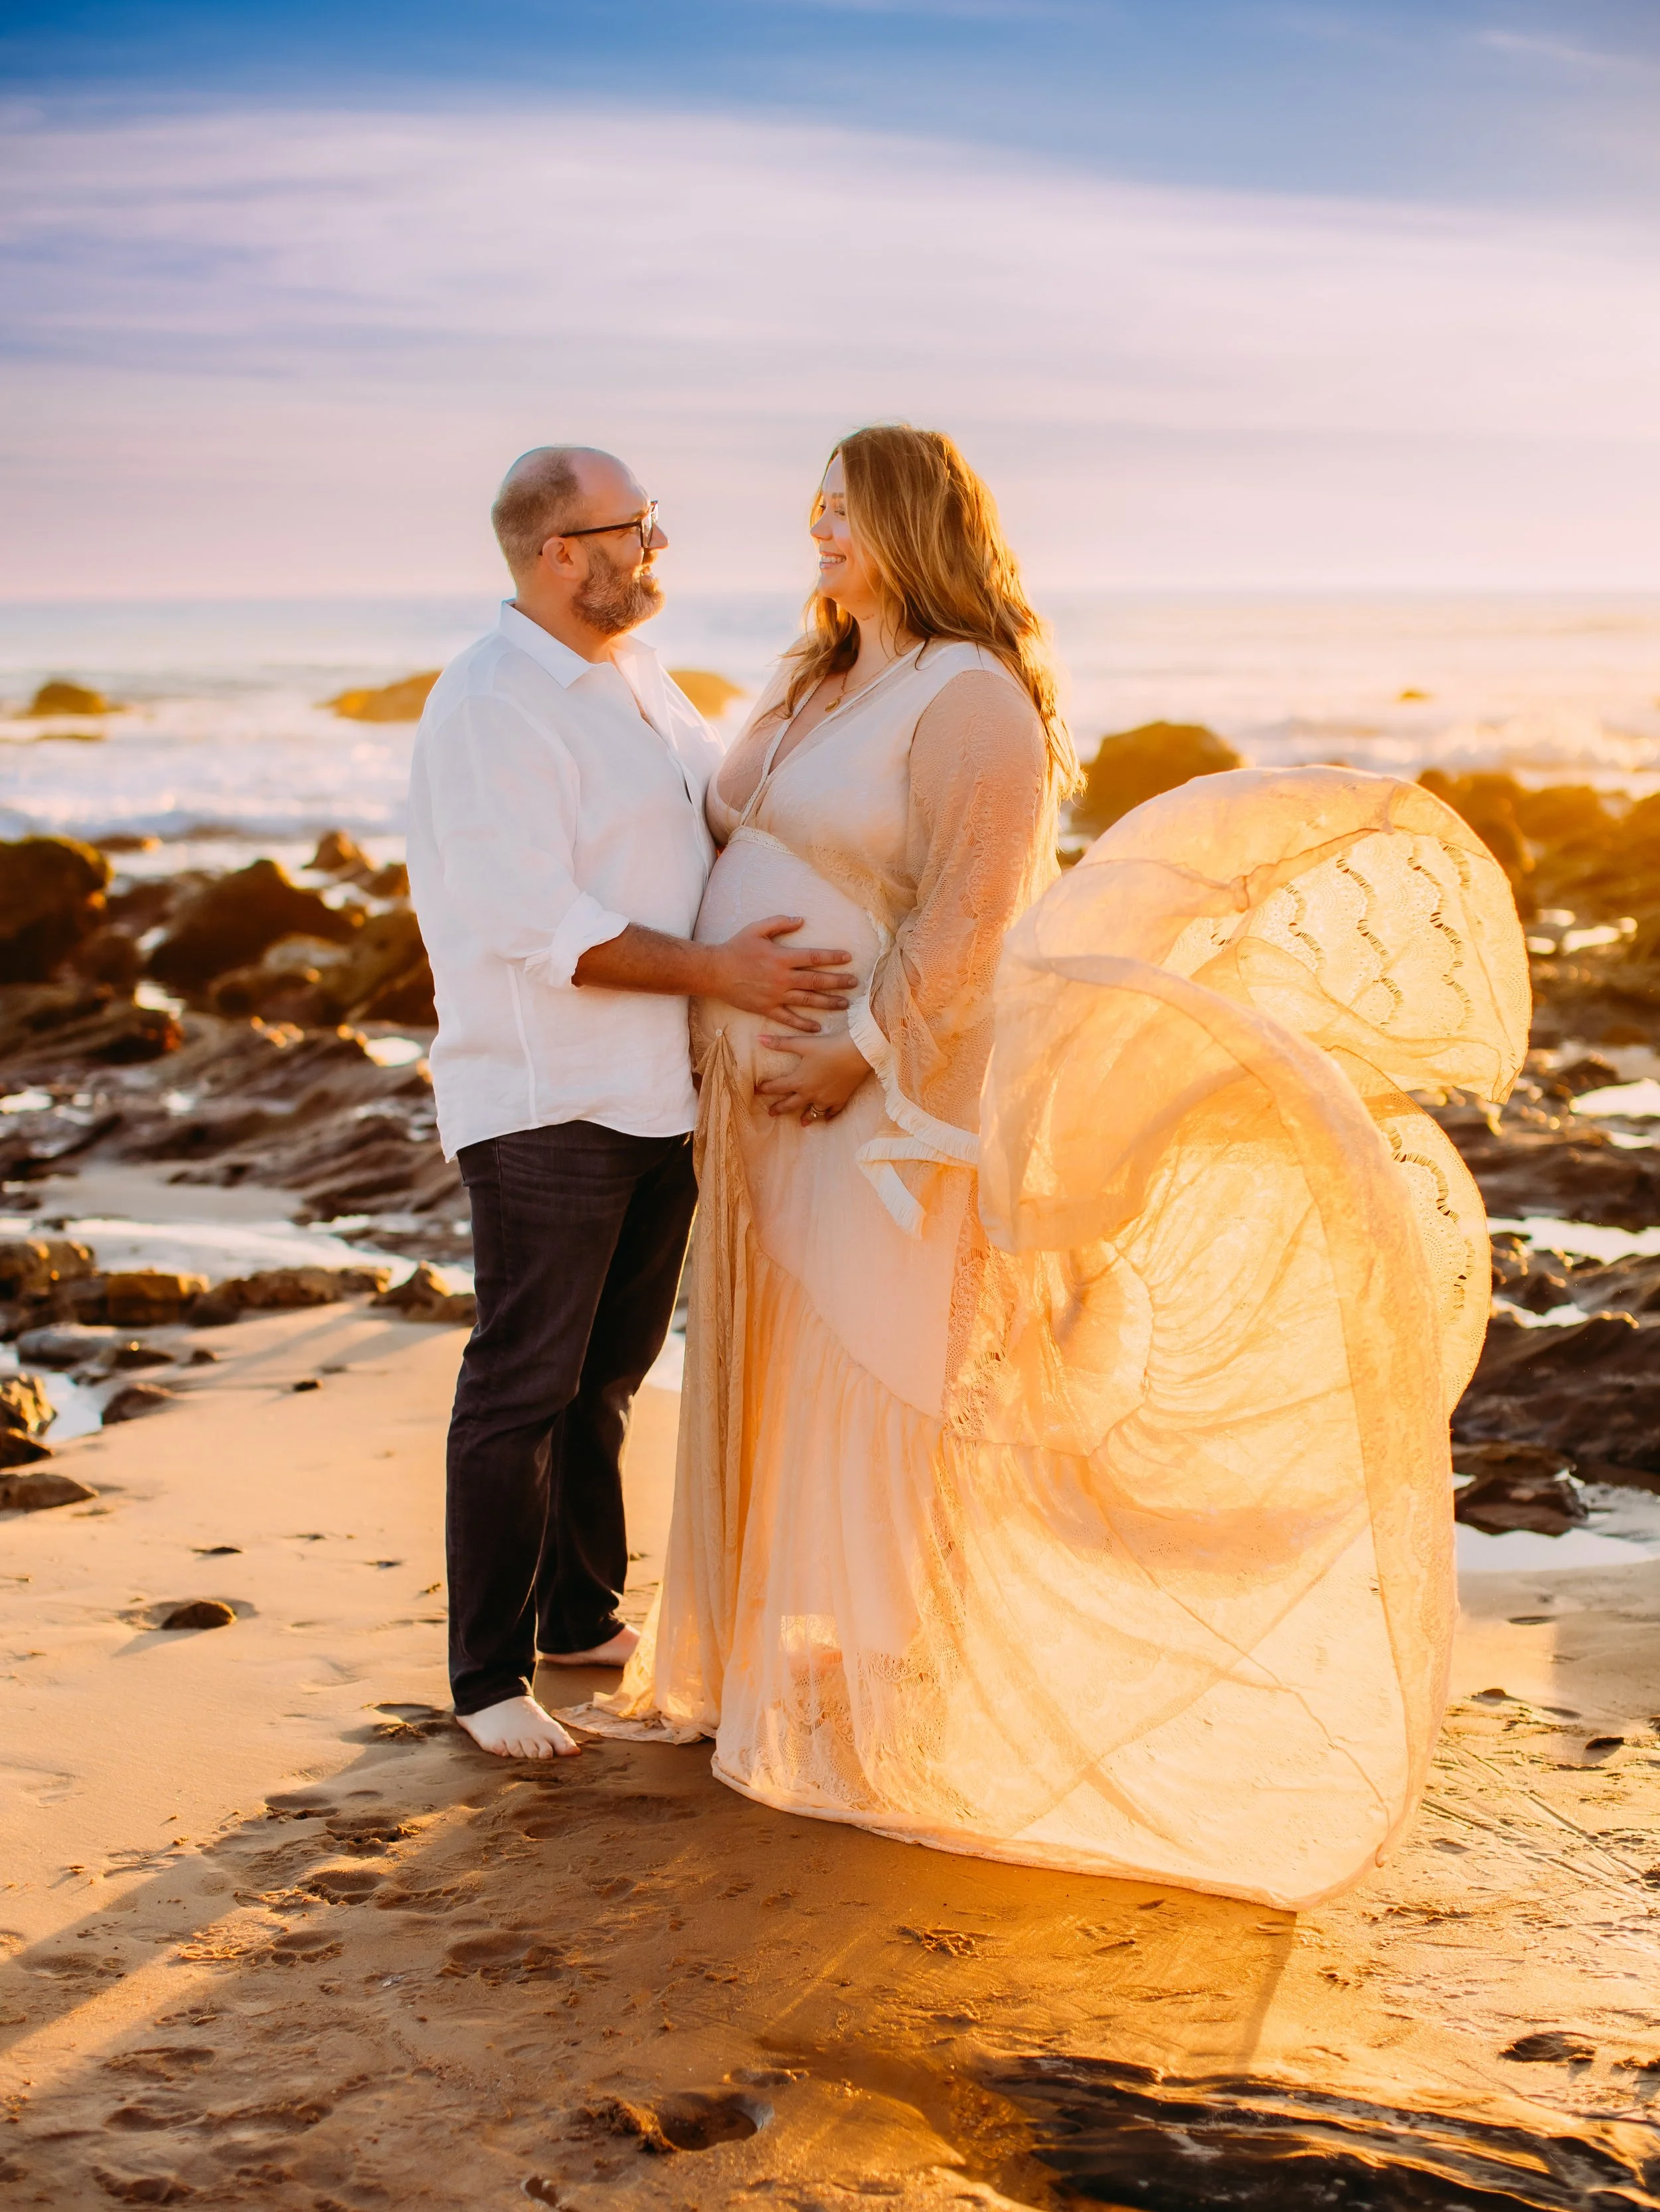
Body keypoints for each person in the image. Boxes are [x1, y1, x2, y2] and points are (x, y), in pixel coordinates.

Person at [599, 424, 1529, 1912]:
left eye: (841, 514)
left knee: (871, 1375)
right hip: (750, 1104)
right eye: (812, 514)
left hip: (876, 1107)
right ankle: (767, 1674)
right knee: (773, 1376)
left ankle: (873, 1701)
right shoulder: (810, 676)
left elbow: (970, 912)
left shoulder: (972, 697)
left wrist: (864, 1056)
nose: (818, 536)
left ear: (912, 524)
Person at [406, 446, 856, 1762]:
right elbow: (532, 921)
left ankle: (576, 1612)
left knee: (603, 1378)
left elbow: (712, 826)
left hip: (658, 1089)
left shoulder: (638, 678)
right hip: (550, 1093)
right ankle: (487, 1680)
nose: (657, 548)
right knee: (522, 1385)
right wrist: (723, 970)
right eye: (634, 530)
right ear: (561, 552)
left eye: (655, 526)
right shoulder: (493, 701)